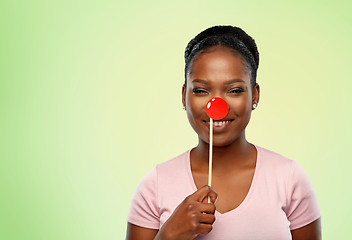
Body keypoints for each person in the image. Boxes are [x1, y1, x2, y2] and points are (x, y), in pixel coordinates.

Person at [125, 25, 321, 240]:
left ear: (254, 95)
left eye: (235, 90)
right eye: (201, 90)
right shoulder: (155, 184)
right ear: (184, 97)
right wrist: (168, 237)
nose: (216, 106)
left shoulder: (289, 178)